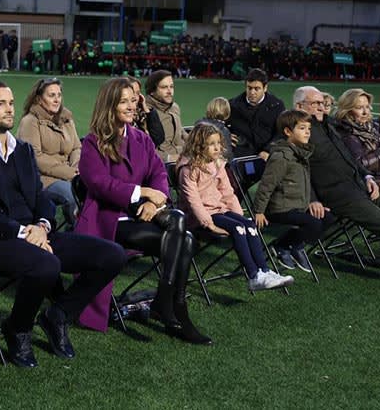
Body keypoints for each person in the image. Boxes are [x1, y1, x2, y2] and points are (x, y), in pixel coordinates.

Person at [0, 81, 126, 367]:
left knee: (112, 255)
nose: (9, 109)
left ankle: (58, 315)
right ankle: (18, 328)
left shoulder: (23, 151)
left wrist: (42, 225)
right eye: (0, 104)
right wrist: (22, 232)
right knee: (47, 264)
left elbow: (40, 197)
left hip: (36, 233)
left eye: (10, 103)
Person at [76, 77, 211, 344]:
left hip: (143, 214)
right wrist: (142, 193)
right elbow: (99, 183)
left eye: (133, 100)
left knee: (181, 228)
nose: (131, 106)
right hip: (109, 221)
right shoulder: (93, 142)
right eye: (123, 101)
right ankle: (174, 308)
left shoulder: (141, 138)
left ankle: (168, 302)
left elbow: (158, 173)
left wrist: (154, 202)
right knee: (184, 236)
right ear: (110, 105)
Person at [177, 123, 294, 291]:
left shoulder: (217, 163)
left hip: (219, 209)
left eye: (219, 143)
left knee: (249, 225)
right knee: (239, 228)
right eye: (211, 144)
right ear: (199, 145)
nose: (217, 148)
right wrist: (209, 224)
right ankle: (254, 276)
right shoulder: (188, 169)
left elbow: (228, 193)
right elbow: (193, 199)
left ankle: (265, 271)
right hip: (200, 216)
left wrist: (238, 214)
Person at [253, 110, 335, 272]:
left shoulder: (301, 153)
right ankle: (281, 246)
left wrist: (312, 203)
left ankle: (295, 245)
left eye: (309, 129)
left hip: (296, 205)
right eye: (302, 128)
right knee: (313, 224)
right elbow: (266, 186)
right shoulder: (282, 156)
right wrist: (258, 211)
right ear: (288, 131)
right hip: (278, 209)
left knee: (327, 218)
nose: (307, 132)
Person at [294, 86, 380, 236]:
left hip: (358, 184)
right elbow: (297, 170)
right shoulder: (297, 133)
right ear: (299, 106)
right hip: (339, 194)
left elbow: (349, 157)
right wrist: (311, 199)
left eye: (322, 103)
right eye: (315, 104)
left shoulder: (329, 124)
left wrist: (367, 176)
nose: (322, 108)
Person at [17, 77, 81, 229]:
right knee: (72, 195)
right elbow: (36, 158)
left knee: (94, 191)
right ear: (39, 99)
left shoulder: (66, 119)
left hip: (71, 173)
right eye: (51, 95)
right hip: (43, 179)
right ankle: (79, 234)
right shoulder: (30, 121)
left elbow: (77, 148)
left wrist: (76, 167)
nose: (57, 100)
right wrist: (71, 173)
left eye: (59, 95)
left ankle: (89, 232)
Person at [227, 68, 285, 159]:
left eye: (257, 89)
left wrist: (268, 150)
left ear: (265, 88)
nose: (252, 92)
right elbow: (218, 124)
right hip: (240, 156)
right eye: (249, 88)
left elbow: (280, 132)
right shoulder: (232, 105)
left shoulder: (277, 106)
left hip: (267, 157)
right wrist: (224, 134)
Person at [334, 88, 380, 182]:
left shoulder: (371, 125)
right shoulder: (345, 132)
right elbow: (360, 165)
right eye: (359, 108)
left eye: (367, 107)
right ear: (347, 109)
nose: (365, 112)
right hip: (369, 181)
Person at [143, 70, 187, 162]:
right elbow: (143, 148)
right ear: (152, 91)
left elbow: (181, 132)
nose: (169, 91)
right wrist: (168, 158)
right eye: (164, 87)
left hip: (184, 156)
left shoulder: (174, 107)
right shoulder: (145, 112)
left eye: (171, 87)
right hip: (164, 164)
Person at [127, 76, 165, 148]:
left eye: (137, 93)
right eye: (132, 93)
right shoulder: (122, 117)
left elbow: (158, 139)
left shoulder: (140, 114)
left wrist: (147, 110)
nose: (135, 97)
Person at [195, 96, 234, 161]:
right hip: (214, 165)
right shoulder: (224, 131)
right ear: (227, 113)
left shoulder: (198, 124)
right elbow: (227, 155)